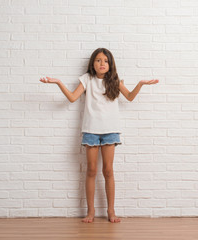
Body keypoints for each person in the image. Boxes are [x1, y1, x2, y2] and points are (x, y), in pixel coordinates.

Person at [40, 48, 159, 223]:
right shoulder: (87, 79)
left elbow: (130, 97)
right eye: (98, 60)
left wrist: (140, 84)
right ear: (92, 63)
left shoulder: (115, 81)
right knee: (91, 170)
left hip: (110, 131)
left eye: (105, 60)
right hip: (91, 131)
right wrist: (58, 82)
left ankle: (111, 211)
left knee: (108, 171)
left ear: (110, 64)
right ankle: (91, 212)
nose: (102, 63)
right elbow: (73, 97)